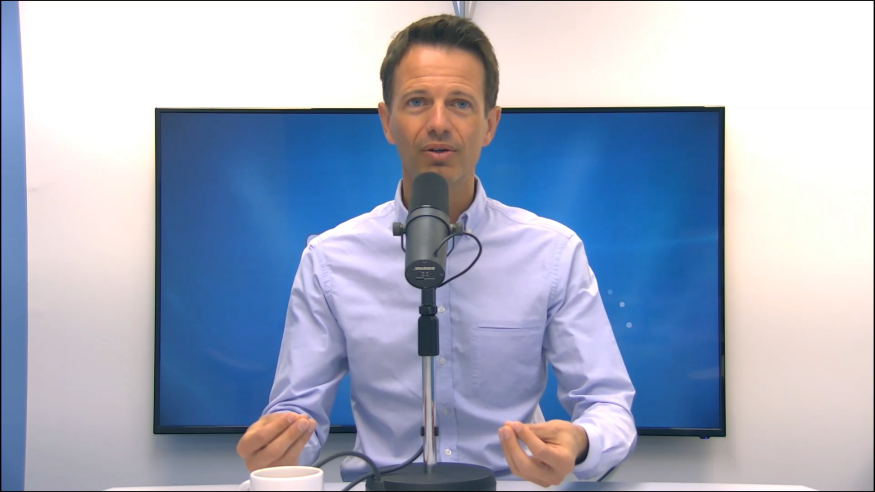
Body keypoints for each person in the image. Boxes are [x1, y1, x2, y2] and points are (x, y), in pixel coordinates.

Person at [236, 13, 636, 487]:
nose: (439, 123)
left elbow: (608, 405)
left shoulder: (552, 253)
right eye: (417, 102)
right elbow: (295, 413)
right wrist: (279, 446)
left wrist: (581, 442)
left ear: (490, 124)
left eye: (460, 104)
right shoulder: (330, 259)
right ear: (387, 121)